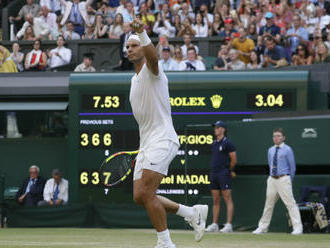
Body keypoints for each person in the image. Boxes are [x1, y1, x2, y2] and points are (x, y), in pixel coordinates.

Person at [127, 18, 208, 248]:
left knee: (146, 191)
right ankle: (191, 213)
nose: (131, 49)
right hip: (147, 143)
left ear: (143, 46)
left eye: (135, 45)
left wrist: (142, 32)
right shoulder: (133, 81)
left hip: (163, 139)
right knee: (140, 196)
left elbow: (152, 56)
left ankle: (165, 243)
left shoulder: (154, 70)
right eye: (128, 47)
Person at [253, 128, 303, 235]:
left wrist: (288, 180)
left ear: (283, 137)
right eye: (274, 136)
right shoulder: (270, 150)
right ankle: (262, 227)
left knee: (290, 204)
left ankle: (298, 228)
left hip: (284, 179)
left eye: (278, 136)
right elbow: (270, 165)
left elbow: (292, 167)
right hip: (272, 180)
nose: (276, 138)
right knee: (268, 204)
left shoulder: (288, 149)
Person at [205, 121, 237, 233]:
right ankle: (214, 224)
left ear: (223, 129)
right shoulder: (214, 144)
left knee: (227, 198)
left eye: (218, 127)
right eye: (215, 128)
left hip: (224, 173)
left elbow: (233, 159)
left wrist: (230, 170)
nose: (216, 129)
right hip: (214, 173)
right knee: (216, 200)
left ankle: (228, 225)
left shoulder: (228, 143)